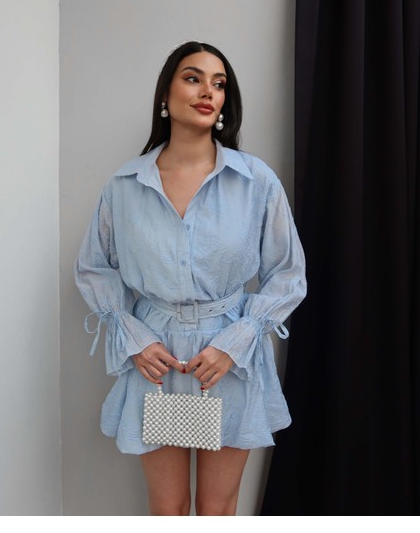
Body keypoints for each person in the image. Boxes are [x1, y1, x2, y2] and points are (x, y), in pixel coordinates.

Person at [75, 41, 306, 516]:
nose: (208, 91)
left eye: (219, 84)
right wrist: (134, 338)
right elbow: (95, 266)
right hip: (156, 362)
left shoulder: (255, 181)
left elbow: (287, 272)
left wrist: (238, 340)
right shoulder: (125, 186)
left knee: (217, 510)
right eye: (193, 78)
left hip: (229, 360)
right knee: (169, 509)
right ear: (166, 92)